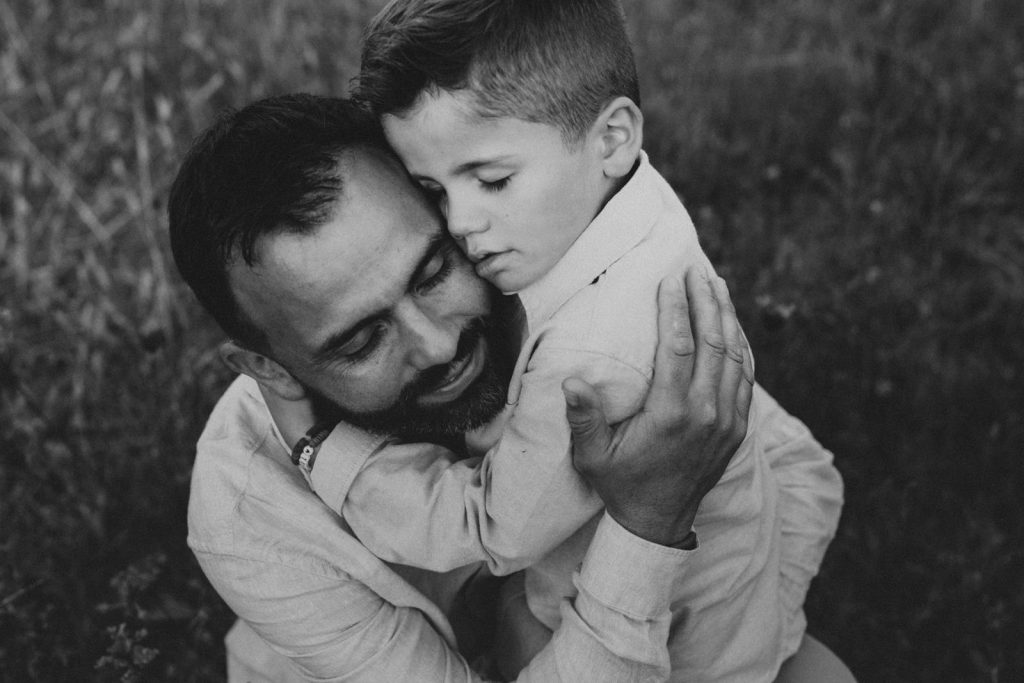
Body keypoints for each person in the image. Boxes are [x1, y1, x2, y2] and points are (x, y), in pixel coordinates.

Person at [320, 0, 847, 679]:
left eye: (492, 179)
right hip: (731, 554)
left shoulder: (587, 358)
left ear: (612, 136)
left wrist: (329, 456)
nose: (461, 223)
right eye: (432, 189)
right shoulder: (626, 201)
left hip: (677, 640)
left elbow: (496, 530)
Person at [171, 94, 758, 681]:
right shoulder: (250, 523)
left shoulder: (547, 268)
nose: (439, 346)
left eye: (433, 273)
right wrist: (648, 527)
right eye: (360, 342)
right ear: (269, 368)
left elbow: (772, 469)